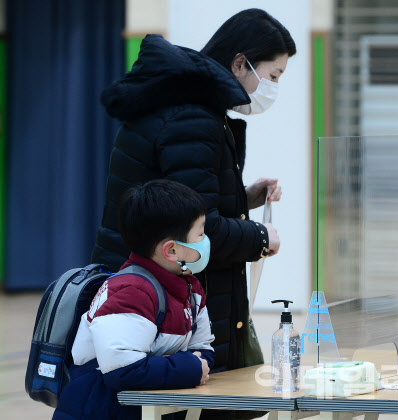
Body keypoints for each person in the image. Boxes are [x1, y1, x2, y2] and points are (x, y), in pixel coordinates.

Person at [91, 9, 296, 373]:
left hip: (153, 288)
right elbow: (196, 231)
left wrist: (244, 197)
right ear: (239, 63)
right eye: (273, 75)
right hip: (159, 299)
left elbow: (182, 201)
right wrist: (260, 237)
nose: (274, 87)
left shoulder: (185, 108)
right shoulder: (192, 118)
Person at [53, 180, 215, 420]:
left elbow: (204, 353)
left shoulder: (191, 289)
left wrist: (172, 365)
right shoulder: (132, 291)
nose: (206, 240)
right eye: (200, 234)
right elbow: (124, 370)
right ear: (171, 250)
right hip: (99, 412)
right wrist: (186, 367)